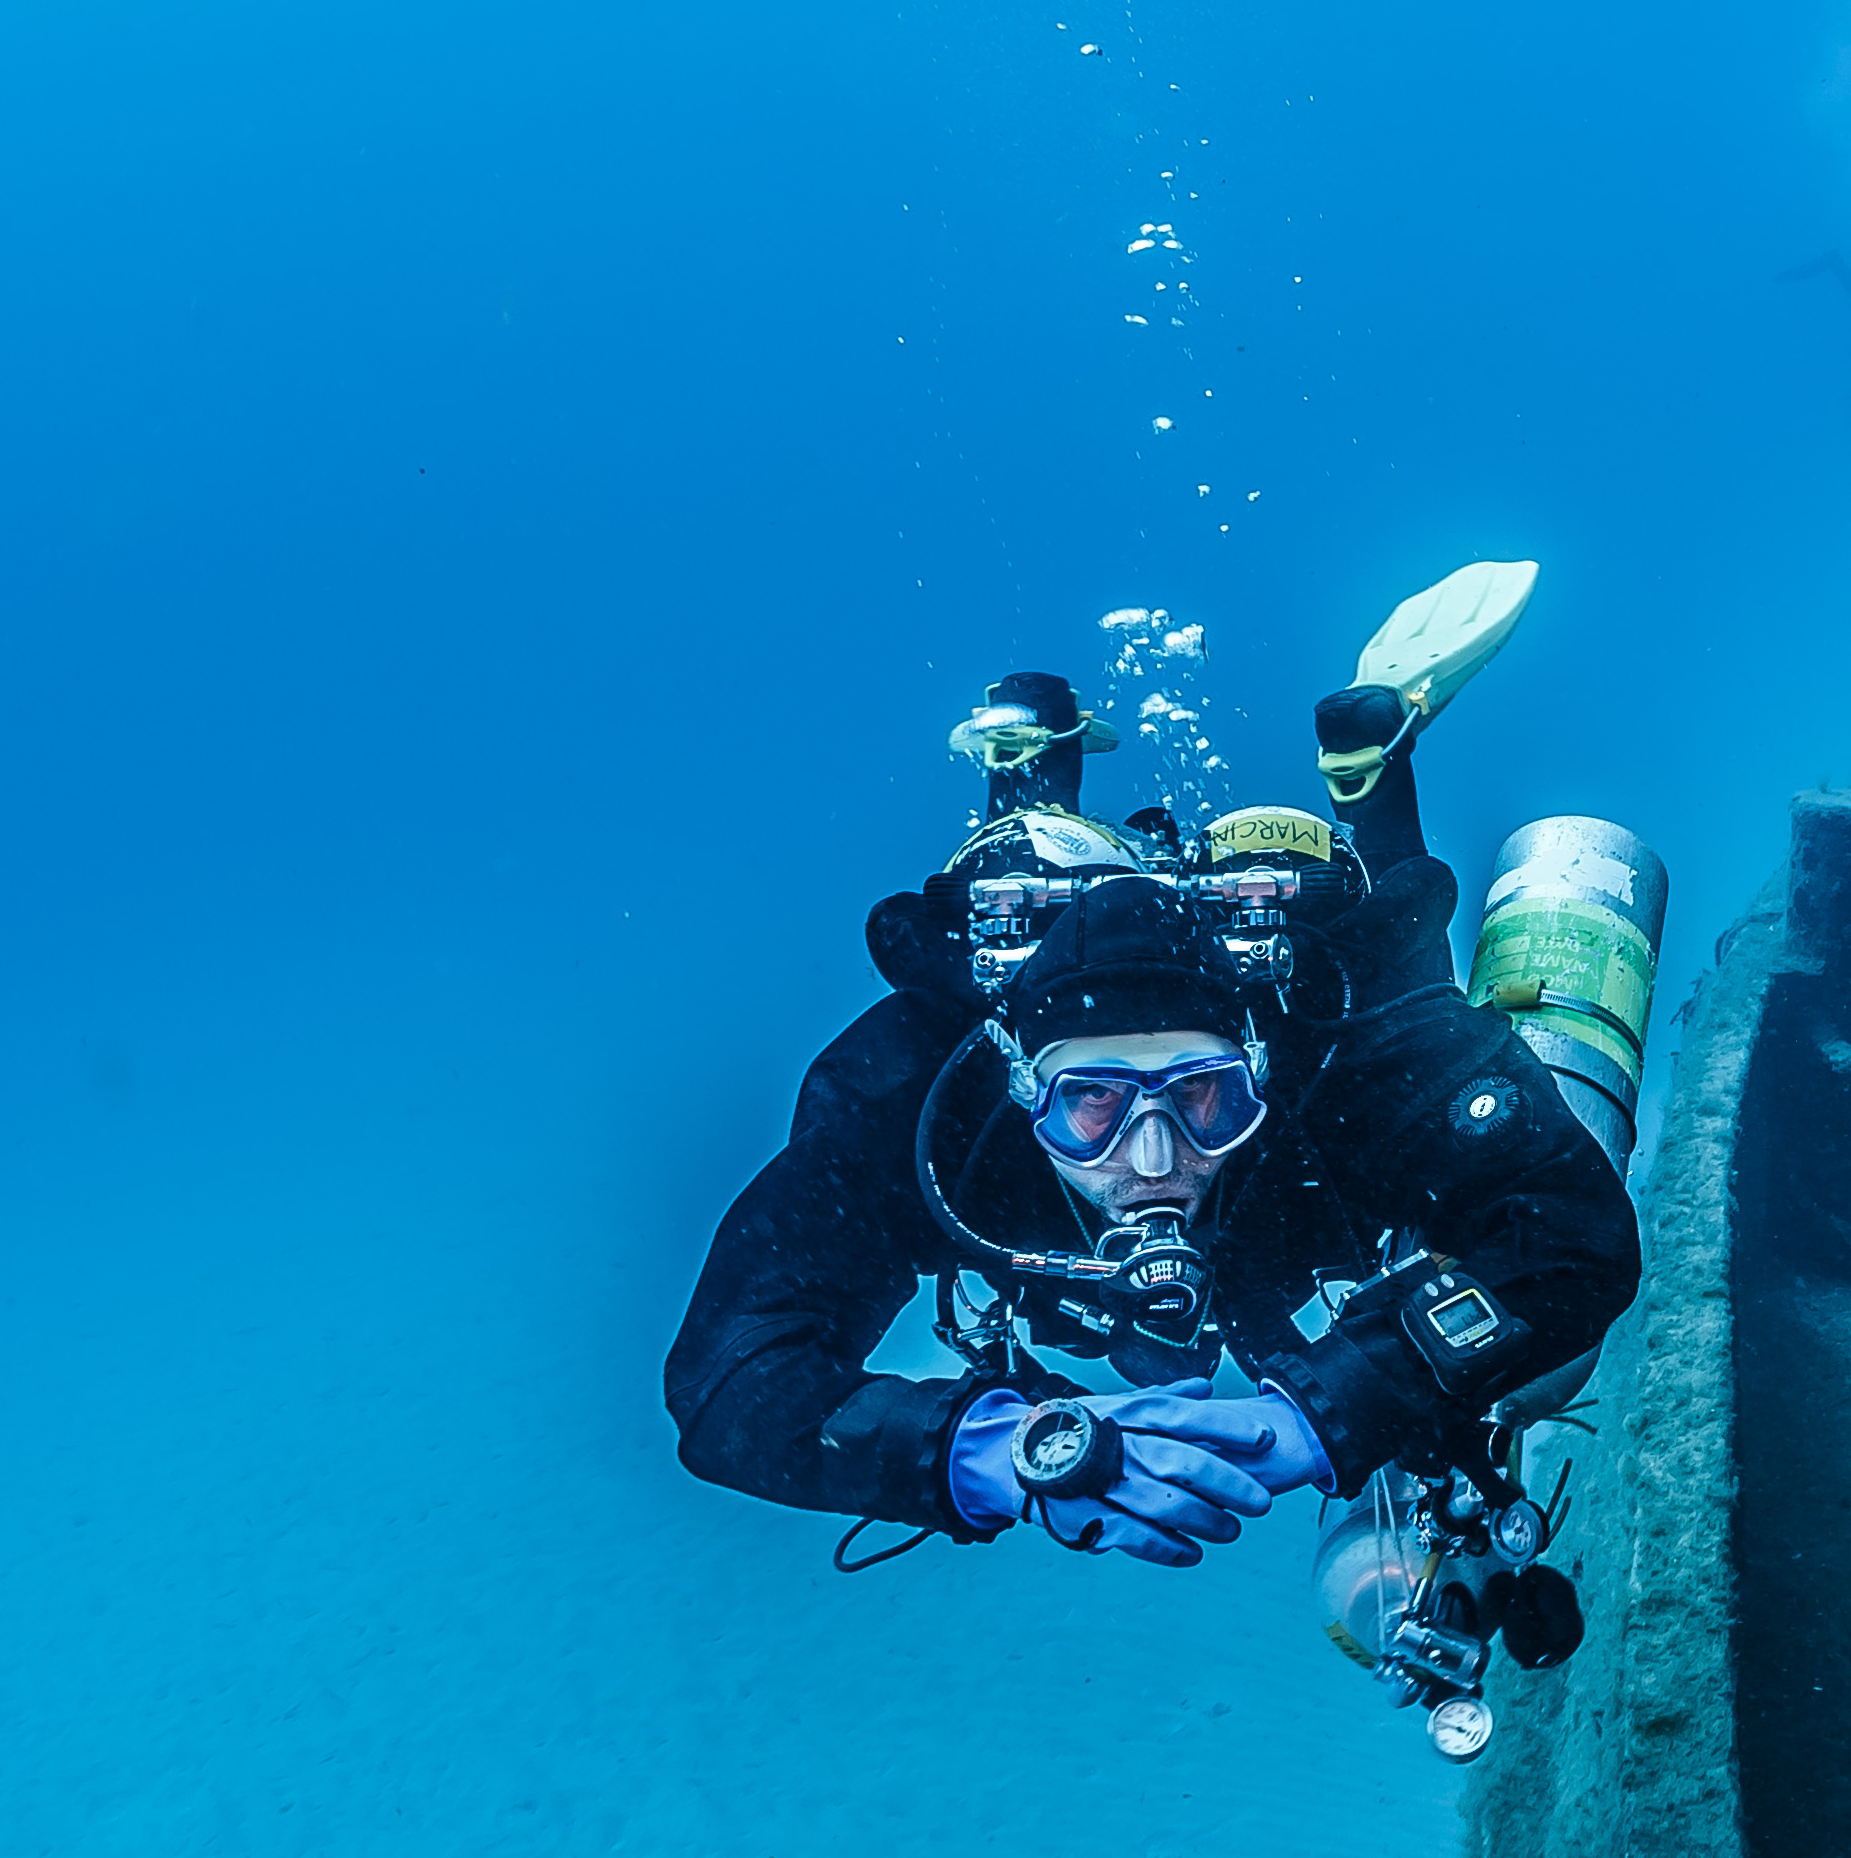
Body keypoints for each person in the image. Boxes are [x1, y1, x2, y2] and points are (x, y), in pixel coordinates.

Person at [662, 579, 1634, 1566]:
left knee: (1399, 962)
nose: (1157, 1158)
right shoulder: (920, 1108)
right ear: (1018, 1083)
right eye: (1092, 1103)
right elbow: (725, 1376)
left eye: (1205, 1093)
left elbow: (1572, 1230)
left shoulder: (1328, 1059)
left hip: (1311, 1099)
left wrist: (1331, 1407)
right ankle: (1032, 765)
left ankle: (1371, 771)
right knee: (1030, 859)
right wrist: (982, 1450)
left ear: (1257, 1064)